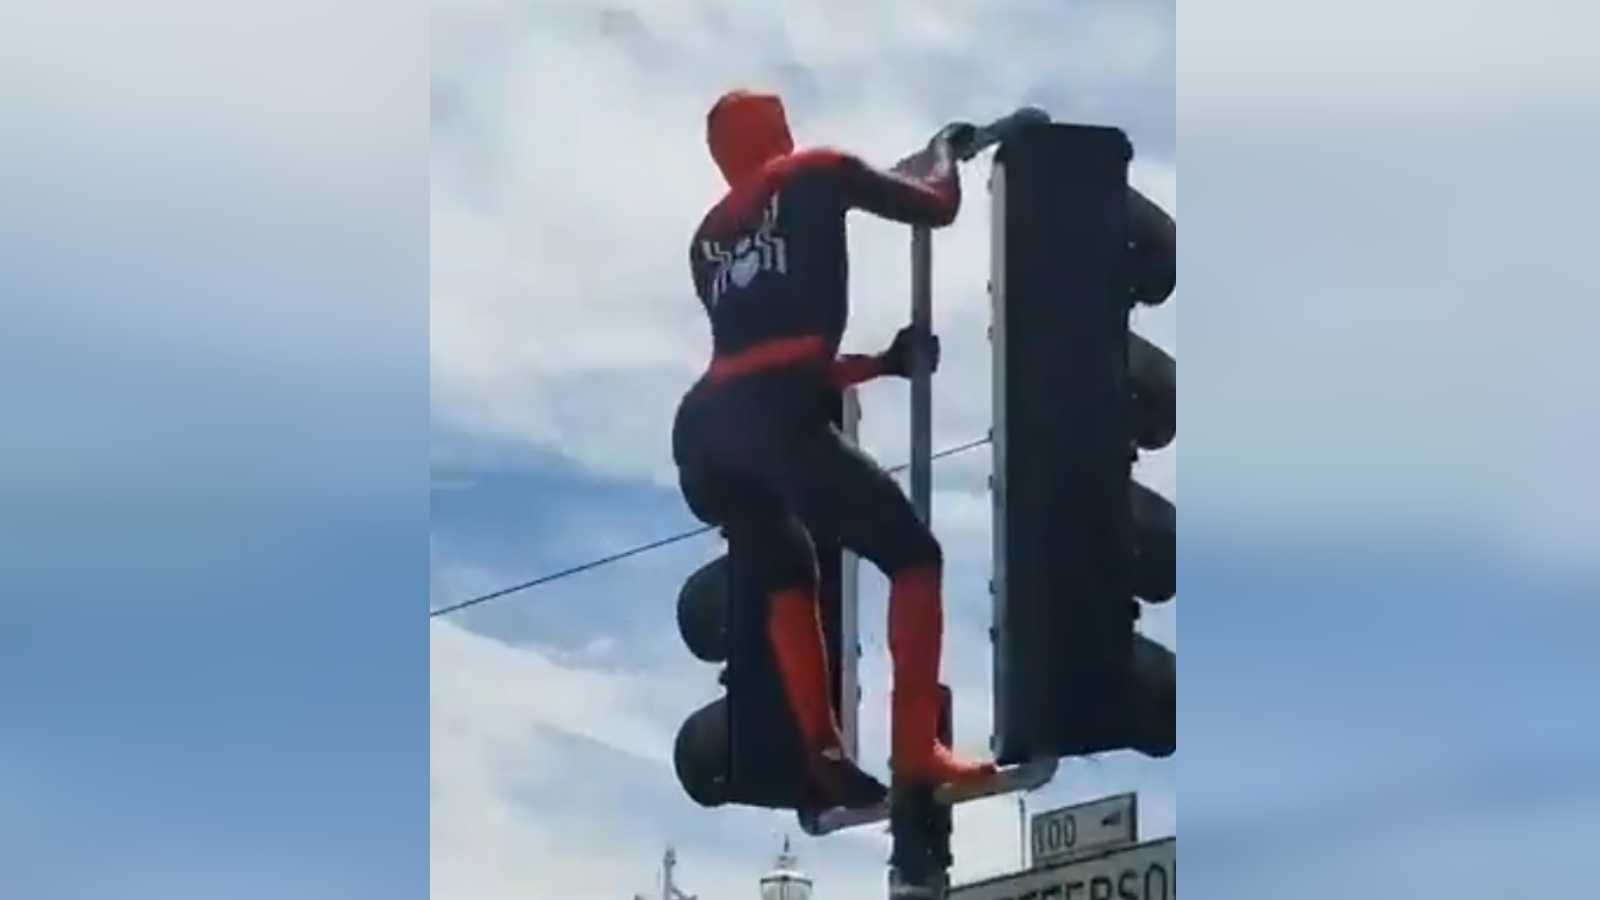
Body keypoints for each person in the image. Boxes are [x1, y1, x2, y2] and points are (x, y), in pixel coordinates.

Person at [671, 88, 998, 810]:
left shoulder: (706, 240)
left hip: (704, 432)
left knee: (787, 569)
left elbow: (769, 354)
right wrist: (946, 147)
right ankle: (917, 745)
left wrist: (882, 365)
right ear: (776, 129)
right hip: (772, 416)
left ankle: (821, 752)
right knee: (913, 555)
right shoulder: (816, 169)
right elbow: (936, 203)